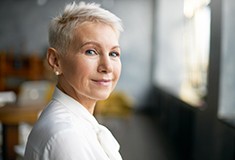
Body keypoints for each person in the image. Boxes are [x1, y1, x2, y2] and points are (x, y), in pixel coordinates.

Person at [24, 1, 123, 160]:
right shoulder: (66, 136)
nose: (107, 67)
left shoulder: (74, 124)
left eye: (114, 54)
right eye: (91, 51)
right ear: (55, 60)